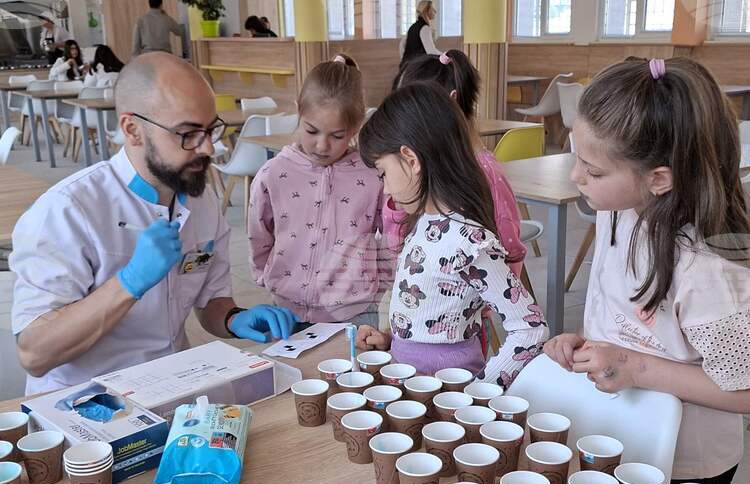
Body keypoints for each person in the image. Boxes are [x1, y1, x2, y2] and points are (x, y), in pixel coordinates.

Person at [10, 52, 296, 395]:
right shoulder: (68, 211)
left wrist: (234, 318)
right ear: (133, 130)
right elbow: (35, 354)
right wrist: (129, 282)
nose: (208, 147)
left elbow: (211, 303)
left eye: (210, 129)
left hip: (172, 386)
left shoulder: (201, 200)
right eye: (188, 133)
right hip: (83, 399)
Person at [543, 57, 750, 484]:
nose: (576, 176)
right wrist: (587, 342)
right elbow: (626, 312)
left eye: (594, 171)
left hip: (685, 464)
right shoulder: (618, 210)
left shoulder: (710, 270)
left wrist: (634, 367)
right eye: (576, 157)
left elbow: (745, 391)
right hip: (618, 431)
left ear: (658, 179)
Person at [356, 82, 548, 384]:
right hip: (413, 393)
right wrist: (390, 340)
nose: (387, 189)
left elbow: (530, 329)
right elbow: (430, 318)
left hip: (448, 403)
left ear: (411, 160)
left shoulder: (471, 243)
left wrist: (481, 390)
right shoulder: (423, 223)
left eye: (383, 174)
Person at [247, 54, 386, 327]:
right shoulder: (273, 174)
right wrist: (268, 278)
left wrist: (374, 287)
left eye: (337, 136)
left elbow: (393, 234)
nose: (322, 145)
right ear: (298, 111)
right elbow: (258, 233)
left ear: (356, 126)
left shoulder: (373, 176)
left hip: (355, 313)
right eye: (312, 131)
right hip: (287, 311)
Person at [391, 49, 526, 277]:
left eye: (413, 116)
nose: (405, 128)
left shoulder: (486, 176)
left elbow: (509, 255)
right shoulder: (431, 164)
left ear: (450, 102)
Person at [394, 1, 439, 88]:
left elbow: (401, 45)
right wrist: (446, 55)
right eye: (433, 9)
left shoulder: (413, 27)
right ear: (427, 10)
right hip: (418, 69)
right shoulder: (425, 28)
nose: (435, 11)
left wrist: (405, 58)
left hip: (406, 67)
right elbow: (431, 51)